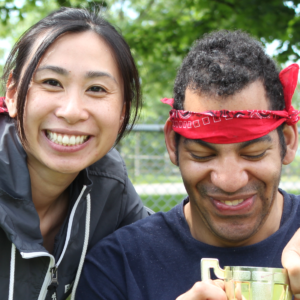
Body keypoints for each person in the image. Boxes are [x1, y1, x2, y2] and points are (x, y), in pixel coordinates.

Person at [76, 30, 300, 300]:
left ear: (287, 141)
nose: (229, 182)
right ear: (173, 144)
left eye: (253, 154)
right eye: (203, 155)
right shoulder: (119, 265)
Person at [0, 6, 151, 300]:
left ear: (122, 112)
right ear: (13, 95)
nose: (71, 112)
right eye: (52, 83)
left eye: (96, 89)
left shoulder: (109, 185)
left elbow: (163, 250)